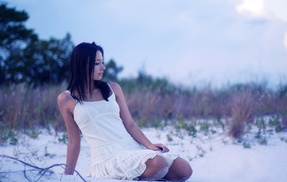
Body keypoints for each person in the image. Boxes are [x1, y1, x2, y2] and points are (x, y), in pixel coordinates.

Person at [57, 42, 192, 181]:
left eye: (102, 62)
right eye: (97, 63)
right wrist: (67, 176)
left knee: (184, 169)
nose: (103, 67)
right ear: (83, 64)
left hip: (131, 146)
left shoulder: (113, 88)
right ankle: (146, 174)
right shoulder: (66, 99)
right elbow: (74, 141)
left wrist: (149, 145)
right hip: (107, 156)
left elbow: (130, 124)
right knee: (159, 164)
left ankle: (146, 174)